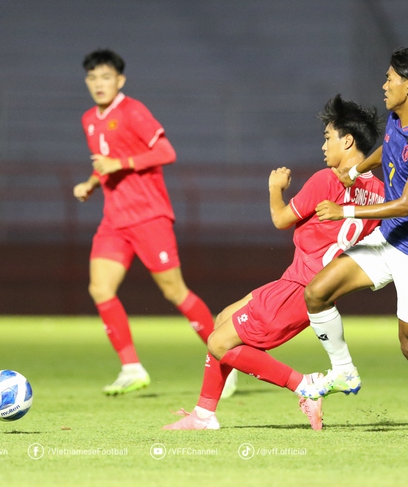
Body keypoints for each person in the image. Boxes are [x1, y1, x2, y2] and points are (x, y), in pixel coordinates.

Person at [162, 94, 385, 430]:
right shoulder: (380, 192)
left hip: (300, 287)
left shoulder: (326, 180)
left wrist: (274, 188)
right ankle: (204, 413)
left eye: (328, 138)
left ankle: (305, 385)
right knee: (222, 319)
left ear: (348, 140)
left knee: (218, 342)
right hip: (314, 287)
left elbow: (281, 219)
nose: (323, 146)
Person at [300, 48, 408, 434]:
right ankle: (344, 372)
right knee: (317, 292)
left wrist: (344, 211)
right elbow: (390, 149)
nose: (384, 85)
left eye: (390, 78)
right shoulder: (397, 119)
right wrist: (358, 168)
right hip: (389, 240)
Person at [73, 49, 236, 397]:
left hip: (149, 217)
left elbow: (166, 153)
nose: (99, 84)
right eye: (92, 78)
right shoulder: (89, 118)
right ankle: (131, 368)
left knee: (173, 291)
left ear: (120, 80)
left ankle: (228, 359)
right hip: (114, 221)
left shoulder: (133, 111)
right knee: (100, 289)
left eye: (105, 77)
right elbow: (105, 162)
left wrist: (120, 165)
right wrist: (91, 183)